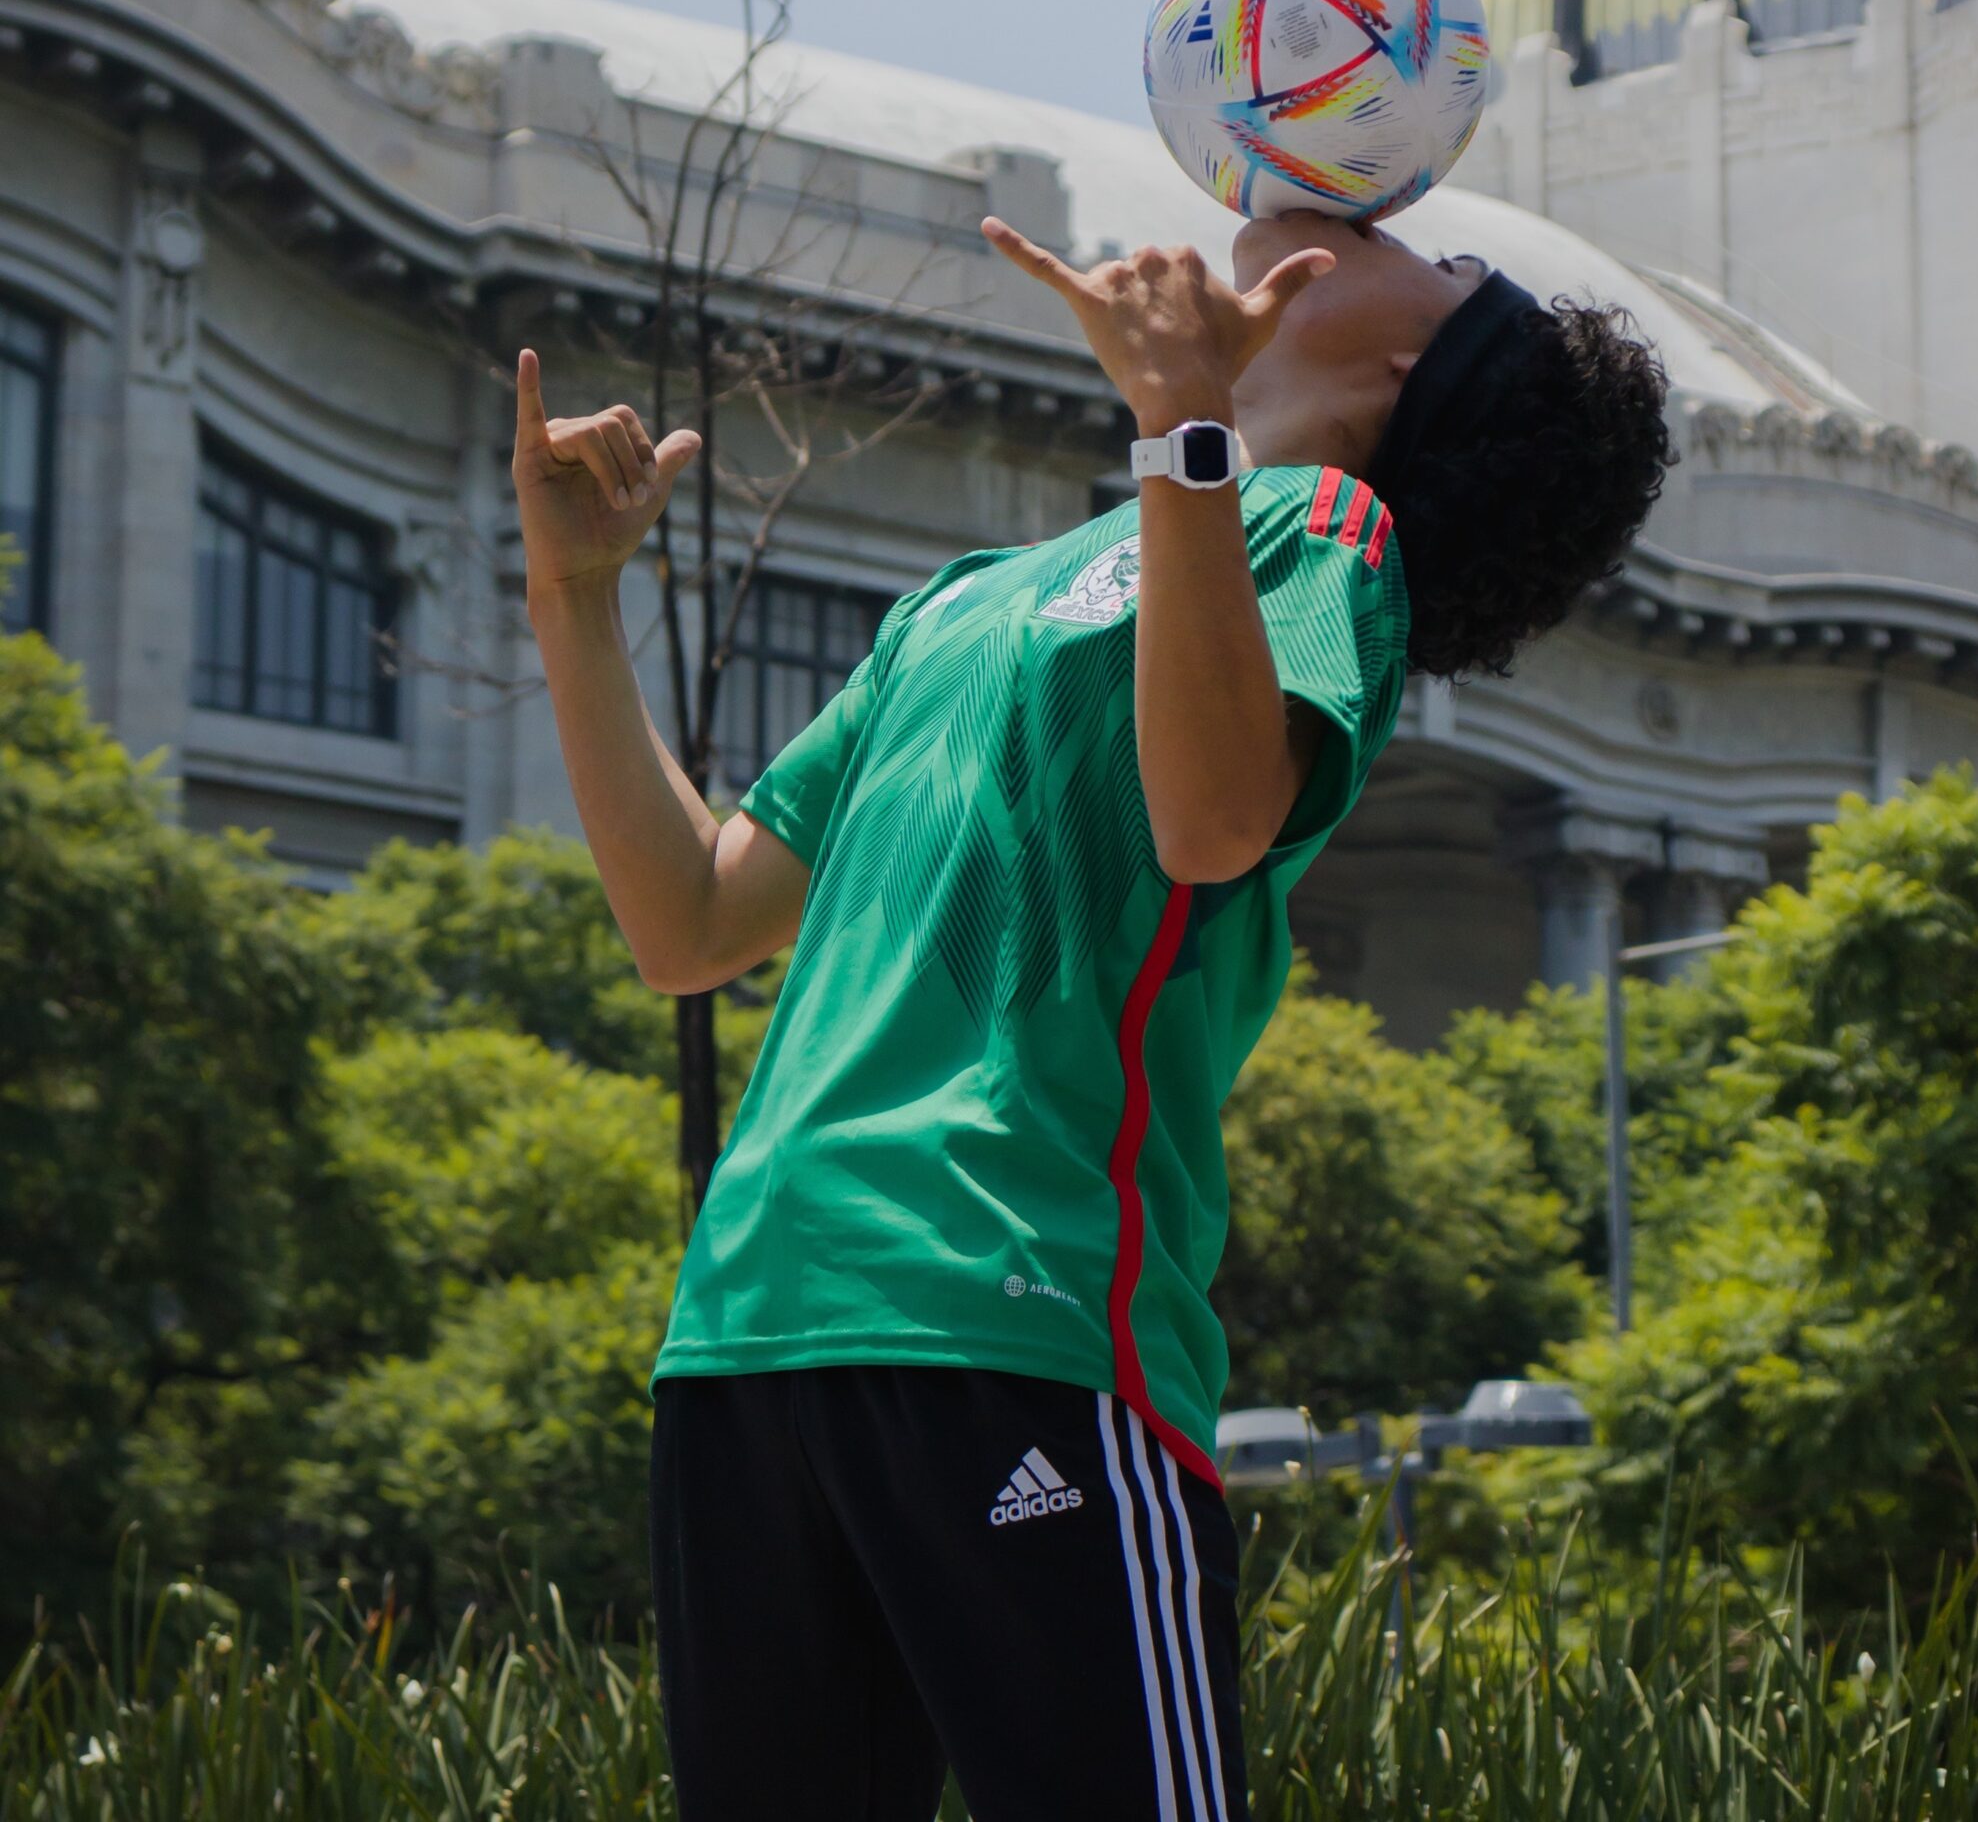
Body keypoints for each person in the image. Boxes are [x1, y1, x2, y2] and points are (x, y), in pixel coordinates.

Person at [512, 205, 1674, 1822]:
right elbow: (691, 918)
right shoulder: (966, 597)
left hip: (1024, 1304)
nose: (1369, 217)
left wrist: (1185, 433)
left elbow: (1209, 823)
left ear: (1408, 360)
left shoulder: (1323, 533)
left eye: (1444, 259)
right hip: (753, 1321)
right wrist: (574, 596)